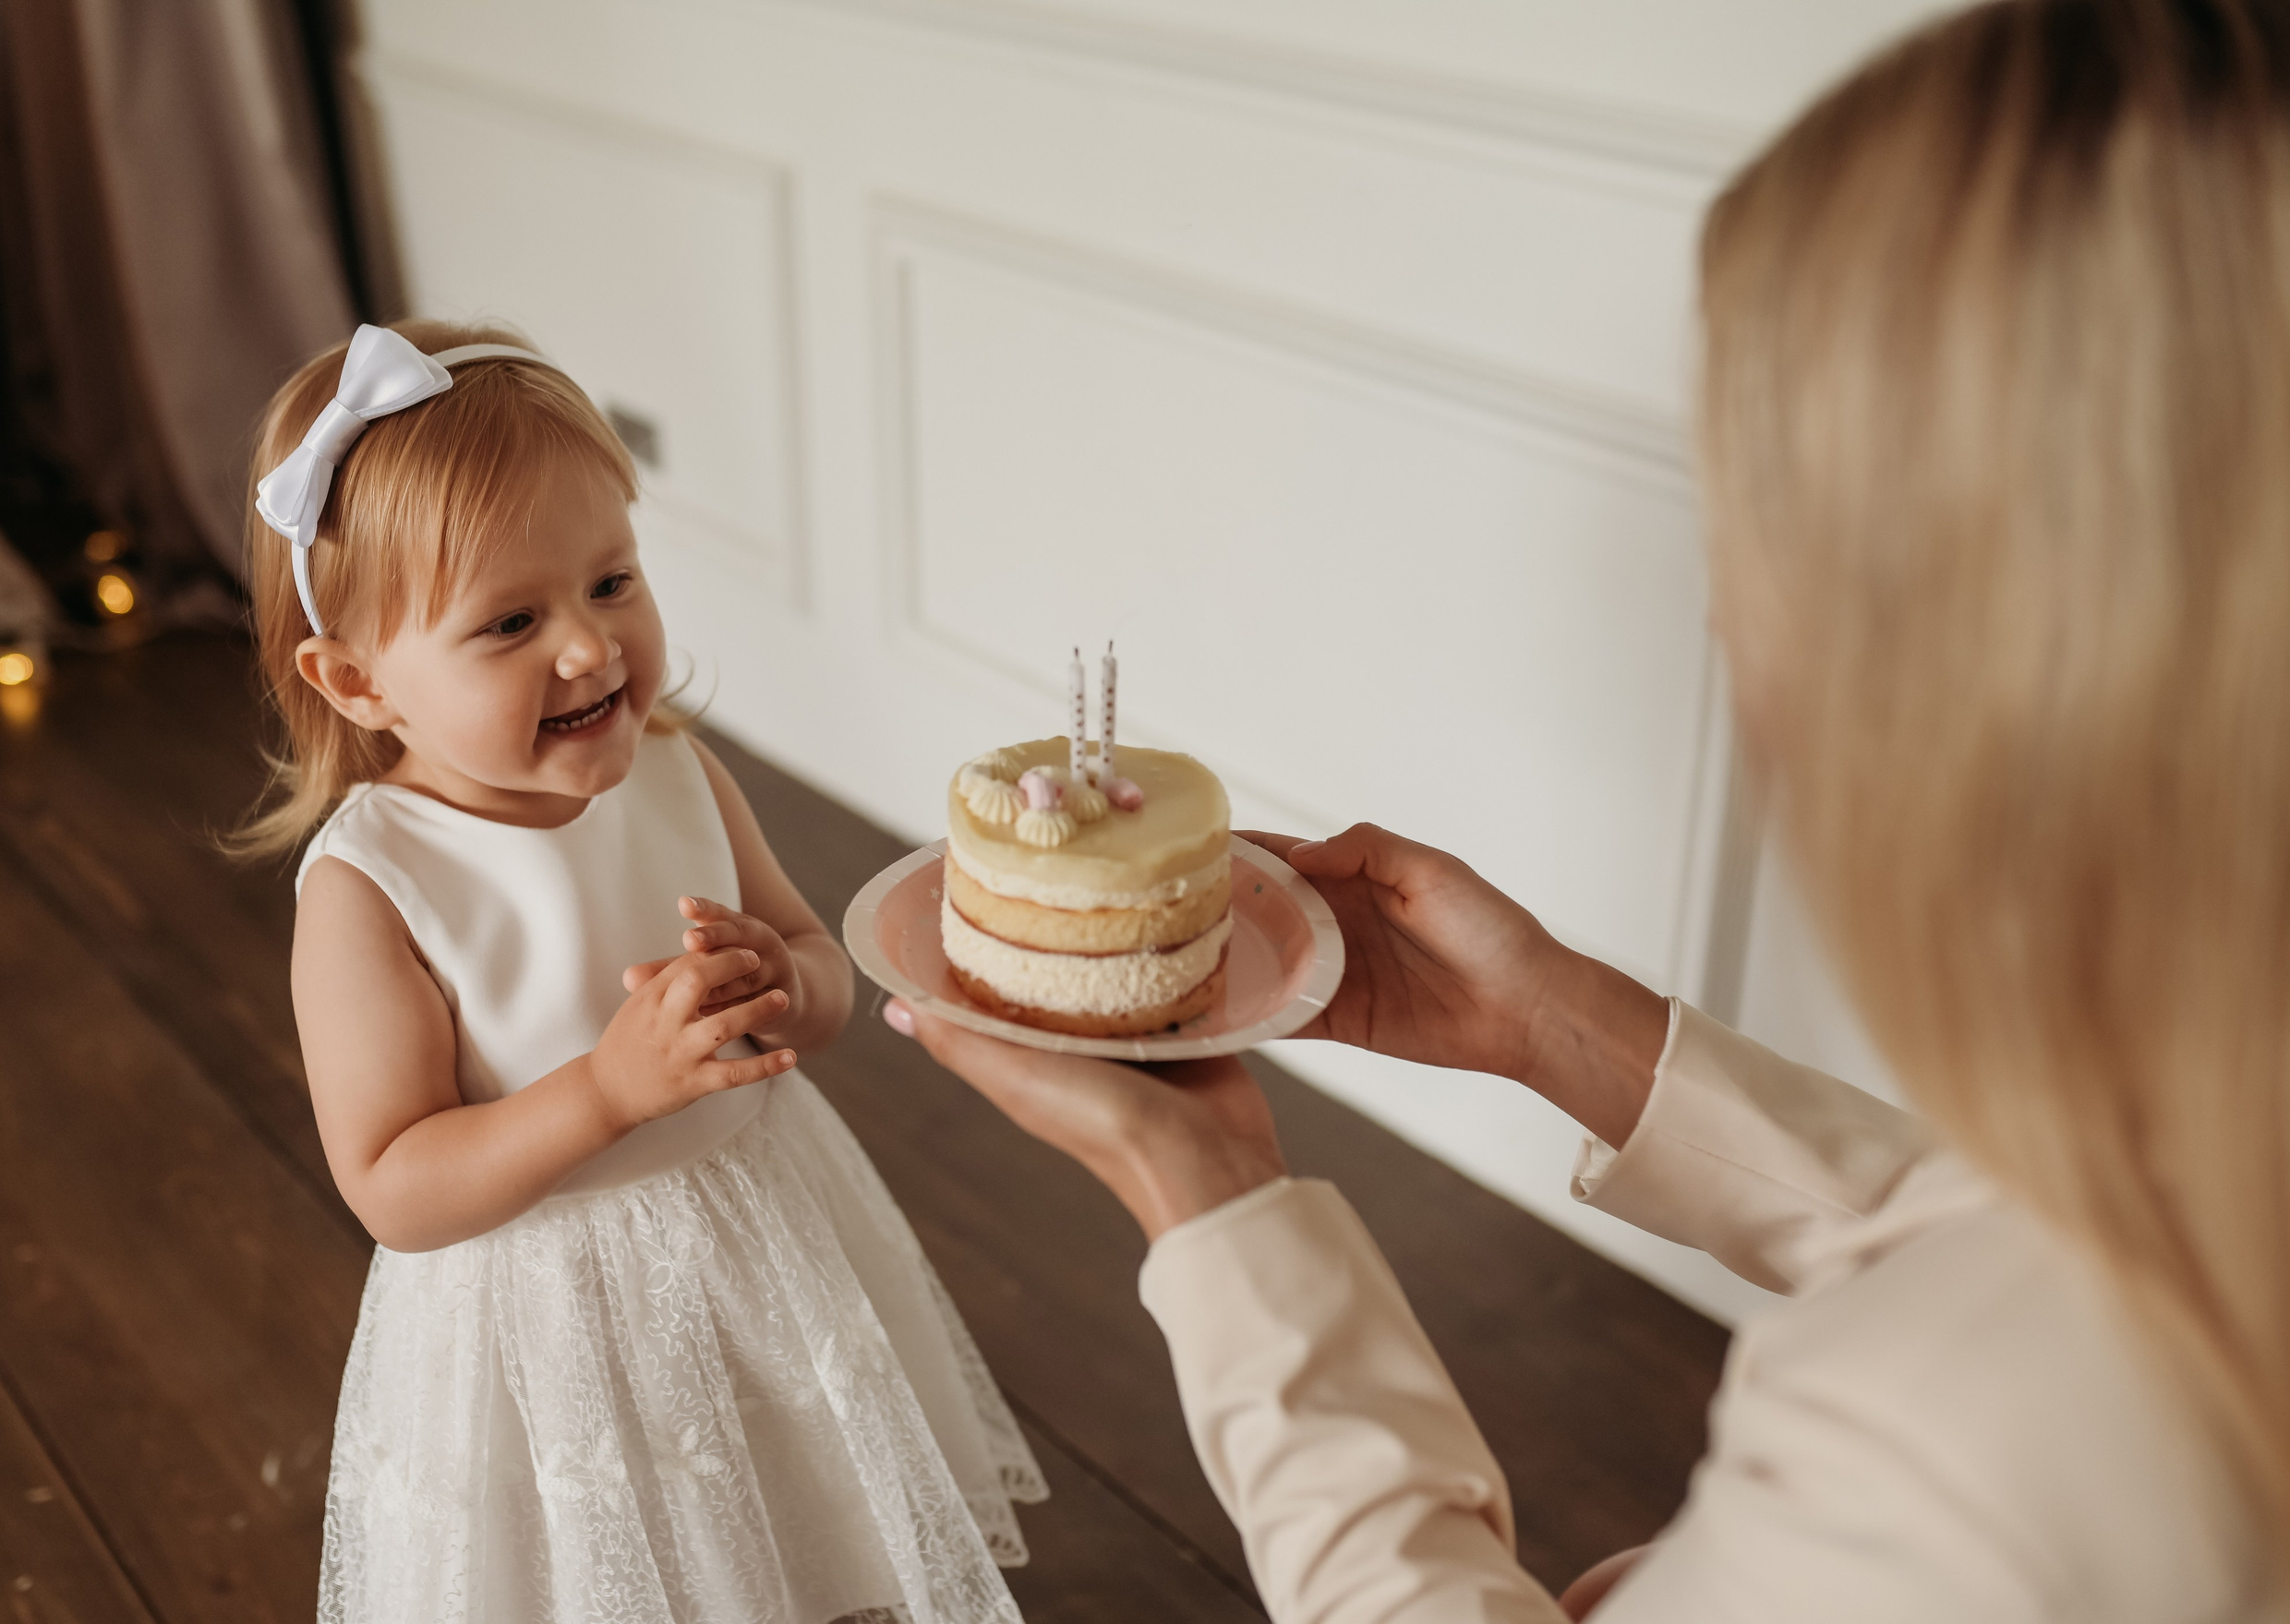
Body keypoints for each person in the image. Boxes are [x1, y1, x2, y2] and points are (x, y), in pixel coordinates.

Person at [886, 1, 2290, 1617]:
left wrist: (1215, 1208)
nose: (1731, 624)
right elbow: (2034, 1252)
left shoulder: (1947, 1448)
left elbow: (2008, 1360)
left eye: (1761, 530)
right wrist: (1555, 1028)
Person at [235, 320, 1043, 1623]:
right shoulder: (372, 886)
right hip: (553, 1324)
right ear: (359, 682)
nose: (589, 648)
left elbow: (817, 970)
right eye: (511, 622)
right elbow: (393, 1183)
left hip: (759, 1239)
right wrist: (605, 1092)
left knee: (800, 1520)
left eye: (611, 581)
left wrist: (787, 985)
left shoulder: (674, 768)